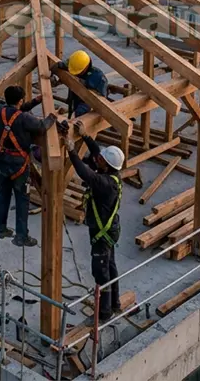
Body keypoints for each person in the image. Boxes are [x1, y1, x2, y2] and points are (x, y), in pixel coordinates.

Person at [64, 133, 125, 322]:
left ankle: (105, 312)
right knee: (110, 265)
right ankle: (115, 303)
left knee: (101, 271)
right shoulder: (112, 176)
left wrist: (72, 150)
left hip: (102, 233)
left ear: (106, 165)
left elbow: (84, 172)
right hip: (110, 230)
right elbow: (98, 155)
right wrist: (85, 136)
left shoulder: (103, 183)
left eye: (101, 160)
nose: (97, 159)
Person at [0, 85, 57, 246]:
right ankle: (21, 236)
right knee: (22, 200)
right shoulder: (24, 119)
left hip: (2, 160)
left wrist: (35, 101)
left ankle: (0, 229)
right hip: (19, 165)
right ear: (20, 100)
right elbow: (42, 126)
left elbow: (17, 110)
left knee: (3, 195)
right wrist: (52, 117)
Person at [52, 50, 123, 117]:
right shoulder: (75, 63)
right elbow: (65, 65)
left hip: (90, 99)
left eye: (79, 72)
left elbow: (100, 98)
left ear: (86, 67)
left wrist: (85, 85)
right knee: (75, 105)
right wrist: (56, 68)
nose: (76, 73)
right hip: (77, 95)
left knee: (80, 112)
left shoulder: (97, 77)